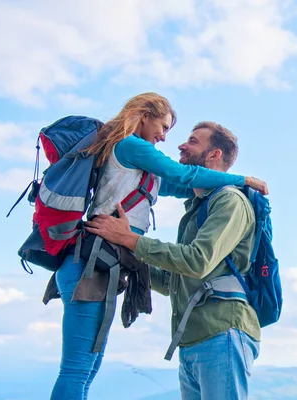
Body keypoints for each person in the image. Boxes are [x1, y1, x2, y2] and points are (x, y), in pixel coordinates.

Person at [45, 94, 268, 400]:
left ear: (214, 153)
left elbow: (183, 184)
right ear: (144, 115)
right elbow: (181, 175)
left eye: (190, 139)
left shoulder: (151, 173)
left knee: (86, 366)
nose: (168, 138)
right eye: (164, 126)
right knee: (78, 368)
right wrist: (243, 178)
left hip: (101, 265)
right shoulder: (131, 146)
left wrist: (132, 249)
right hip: (91, 264)